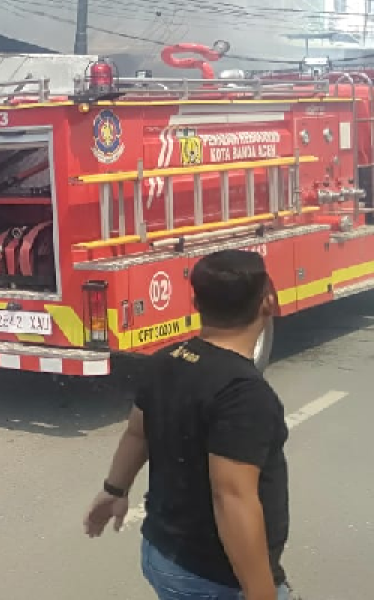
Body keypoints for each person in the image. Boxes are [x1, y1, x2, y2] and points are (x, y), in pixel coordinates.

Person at [83, 249, 293, 600]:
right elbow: (232, 498)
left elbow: (138, 432)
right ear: (267, 304)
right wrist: (262, 593)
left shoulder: (165, 361)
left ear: (195, 302)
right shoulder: (244, 394)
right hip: (213, 576)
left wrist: (114, 489)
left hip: (161, 553)